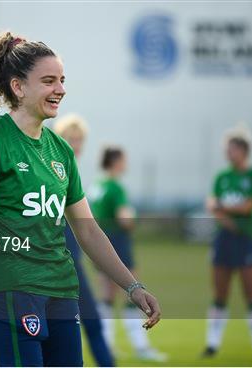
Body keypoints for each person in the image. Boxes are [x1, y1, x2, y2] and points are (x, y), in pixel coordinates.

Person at [0, 31, 161, 367]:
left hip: (61, 294)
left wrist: (133, 287)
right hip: (9, 291)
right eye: (48, 81)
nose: (60, 89)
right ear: (18, 87)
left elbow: (88, 232)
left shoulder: (60, 150)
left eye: (61, 80)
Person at [89, 147, 167, 362]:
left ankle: (107, 343)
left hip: (99, 244)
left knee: (106, 296)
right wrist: (133, 219)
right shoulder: (115, 187)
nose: (126, 164)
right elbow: (125, 219)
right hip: (118, 243)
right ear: (115, 162)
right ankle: (141, 347)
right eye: (124, 160)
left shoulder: (98, 185)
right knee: (133, 292)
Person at [53, 114, 115, 367]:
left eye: (79, 140)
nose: (75, 145)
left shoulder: (71, 171)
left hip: (72, 264)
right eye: (70, 139)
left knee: (92, 323)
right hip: (50, 263)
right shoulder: (52, 171)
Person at [202, 124, 252, 359]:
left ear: (244, 150)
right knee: (220, 294)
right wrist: (225, 212)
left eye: (232, 149)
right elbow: (214, 208)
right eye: (227, 150)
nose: (228, 154)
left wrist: (222, 208)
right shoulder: (222, 177)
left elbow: (249, 206)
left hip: (246, 239)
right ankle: (212, 344)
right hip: (224, 239)